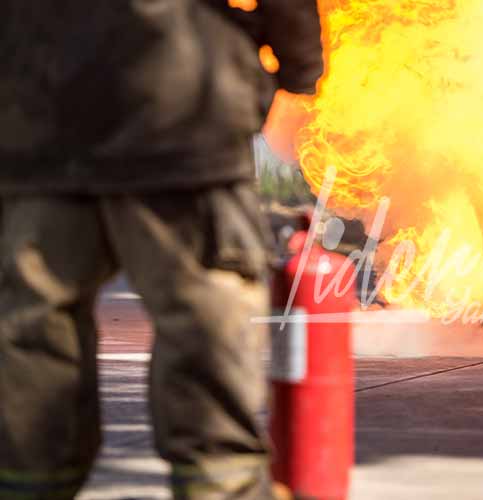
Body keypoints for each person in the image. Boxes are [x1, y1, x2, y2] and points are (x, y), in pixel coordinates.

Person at [0, 1, 323, 498]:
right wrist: (298, 64)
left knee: (34, 344)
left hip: (39, 123)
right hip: (179, 118)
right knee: (205, 335)